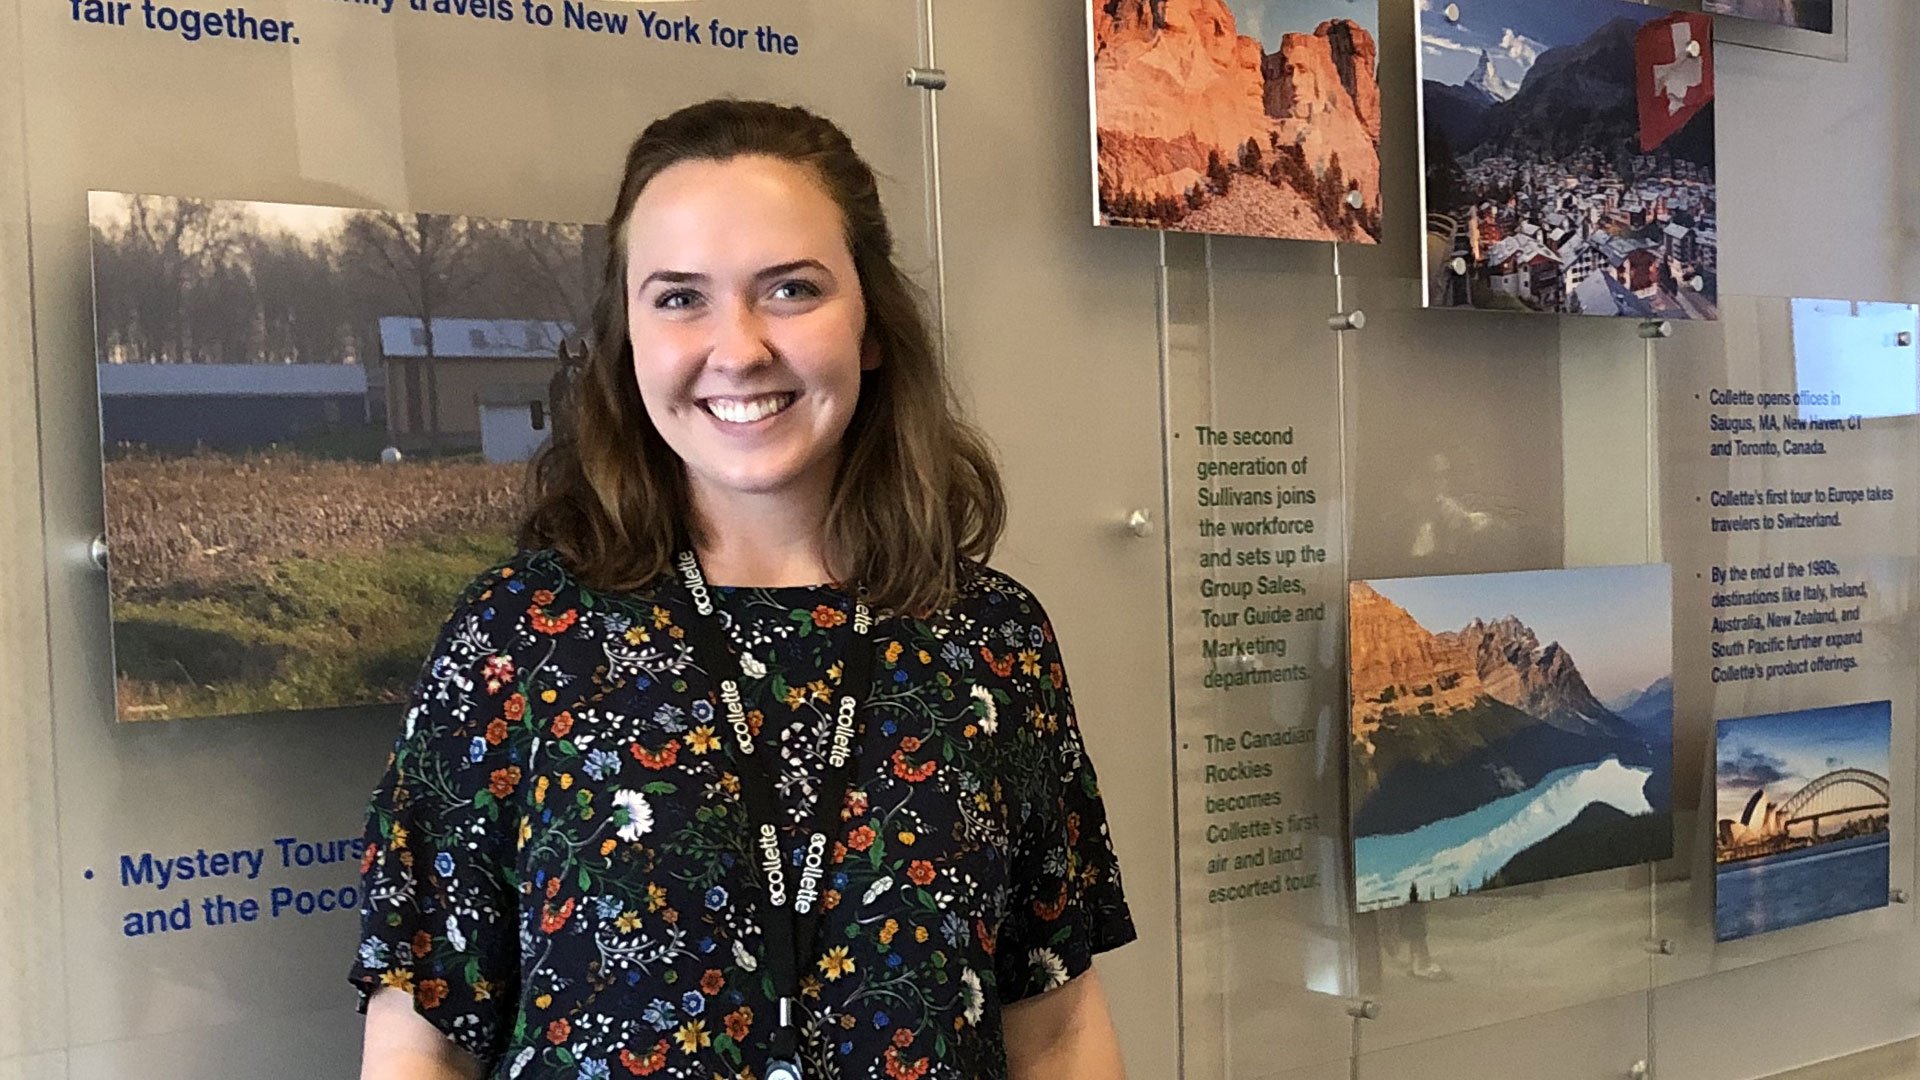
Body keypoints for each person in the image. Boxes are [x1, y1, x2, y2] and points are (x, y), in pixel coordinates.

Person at [350, 99, 1136, 1080]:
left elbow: (1055, 1029)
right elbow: (421, 1039)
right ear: (627, 339)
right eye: (680, 297)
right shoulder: (520, 638)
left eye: (791, 289)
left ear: (874, 325)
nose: (739, 347)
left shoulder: (992, 640)